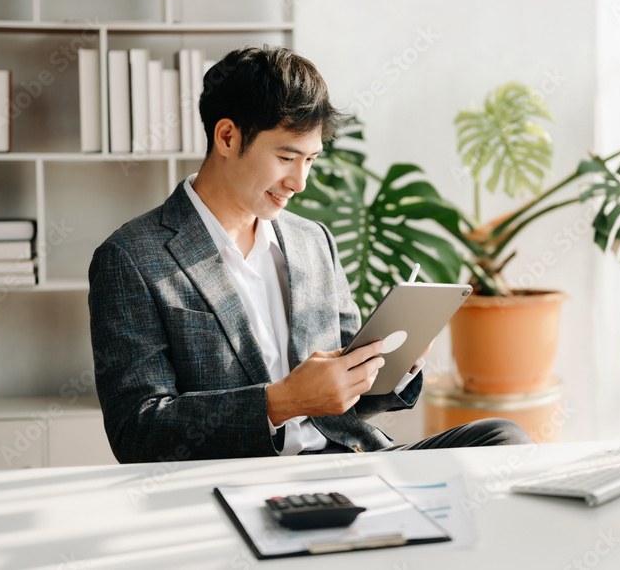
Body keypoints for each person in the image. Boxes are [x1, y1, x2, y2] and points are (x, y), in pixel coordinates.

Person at [88, 46, 531, 463]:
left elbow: (349, 402)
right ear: (227, 137)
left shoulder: (311, 240)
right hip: (241, 476)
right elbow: (137, 431)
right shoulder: (131, 258)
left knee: (503, 440)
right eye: (286, 157)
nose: (300, 182)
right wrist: (281, 403)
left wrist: (396, 362)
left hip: (349, 461)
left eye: (311, 160)